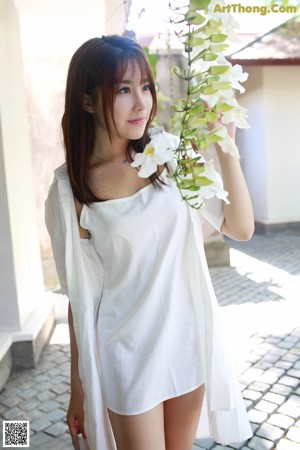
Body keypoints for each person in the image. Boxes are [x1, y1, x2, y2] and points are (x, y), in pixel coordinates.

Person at [45, 35, 254, 450]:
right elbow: (80, 298)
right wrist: (79, 387)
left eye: (145, 86)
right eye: (123, 90)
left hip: (185, 340)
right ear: (87, 101)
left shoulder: (169, 155)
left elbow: (240, 227)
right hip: (127, 353)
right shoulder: (70, 190)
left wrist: (224, 144)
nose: (141, 103)